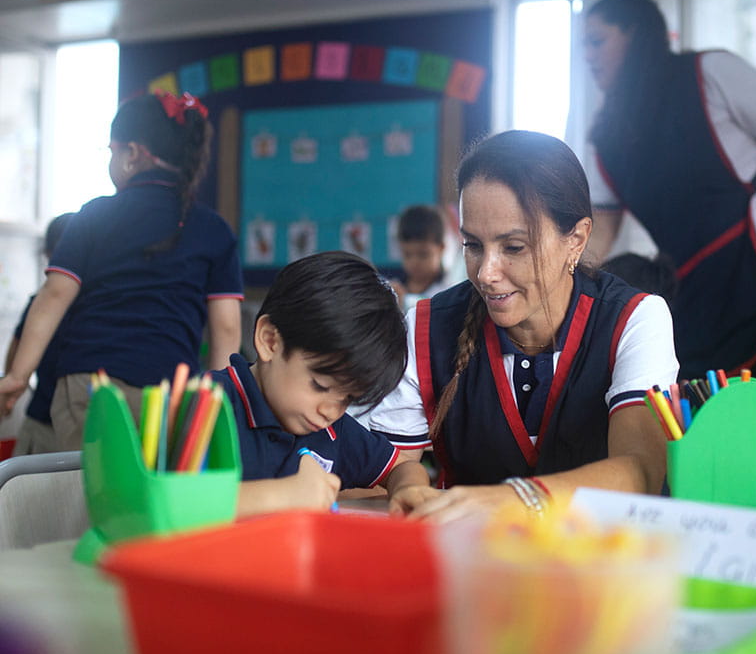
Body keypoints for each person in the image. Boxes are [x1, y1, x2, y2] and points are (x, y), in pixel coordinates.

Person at [366, 130, 679, 523]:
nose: (486, 273)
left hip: (603, 569)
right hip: (471, 566)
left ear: (576, 239)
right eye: (472, 245)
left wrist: (511, 500)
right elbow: (394, 461)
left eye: (514, 247)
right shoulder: (426, 328)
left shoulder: (634, 319)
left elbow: (640, 470)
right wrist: (408, 488)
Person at [585, 0, 756, 436]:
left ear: (636, 36)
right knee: (708, 416)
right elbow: (602, 228)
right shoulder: (606, 134)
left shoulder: (708, 73)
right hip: (707, 291)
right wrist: (569, 287)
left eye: (596, 41)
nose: (587, 57)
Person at [0, 91, 243, 450]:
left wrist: (17, 376)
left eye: (111, 151)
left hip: (90, 386)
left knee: (88, 492)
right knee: (145, 497)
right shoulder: (212, 228)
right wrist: (217, 400)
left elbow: (53, 296)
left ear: (133, 153)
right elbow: (226, 326)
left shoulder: (95, 215)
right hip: (168, 397)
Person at [211, 251, 432, 517]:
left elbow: (401, 466)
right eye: (320, 385)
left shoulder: (332, 430)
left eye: (348, 399)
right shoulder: (206, 405)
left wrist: (410, 488)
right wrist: (286, 495)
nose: (331, 410)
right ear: (270, 341)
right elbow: (166, 505)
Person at [4, 213, 74, 455]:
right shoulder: (97, 308)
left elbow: (16, 348)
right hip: (73, 422)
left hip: (44, 420)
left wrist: (11, 388)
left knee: (23, 488)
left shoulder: (41, 303)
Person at [389, 204, 454, 311]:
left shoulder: (449, 293)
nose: (414, 262)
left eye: (423, 254)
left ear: (441, 248)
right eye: (407, 254)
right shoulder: (394, 289)